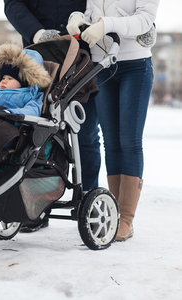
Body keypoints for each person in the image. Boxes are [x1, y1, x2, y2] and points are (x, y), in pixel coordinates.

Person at [4, 0, 102, 233]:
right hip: (40, 57)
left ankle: (89, 202)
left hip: (80, 59)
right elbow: (13, 5)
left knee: (86, 134)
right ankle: (36, 206)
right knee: (39, 134)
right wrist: (37, 32)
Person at [67, 0, 160, 241]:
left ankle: (126, 219)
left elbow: (144, 19)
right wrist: (78, 17)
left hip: (135, 65)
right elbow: (91, 11)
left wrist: (105, 25)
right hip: (103, 64)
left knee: (129, 141)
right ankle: (113, 213)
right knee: (111, 141)